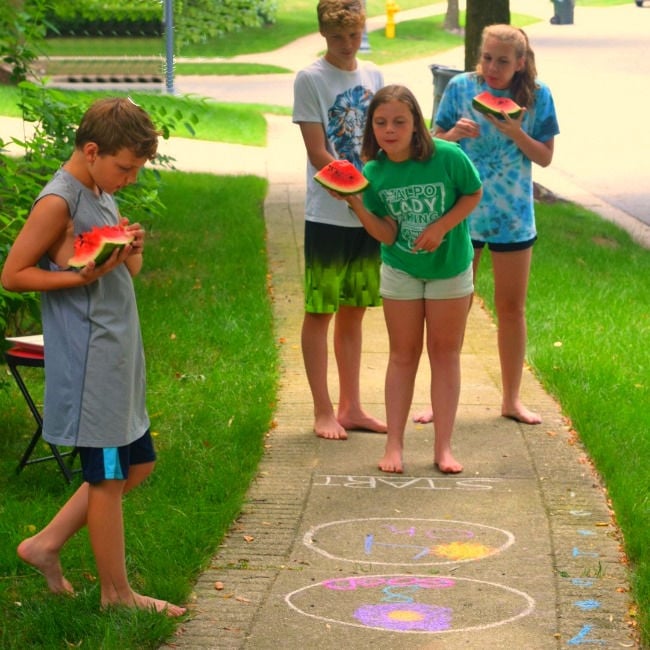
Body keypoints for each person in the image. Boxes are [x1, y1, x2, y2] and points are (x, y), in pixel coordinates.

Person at [1, 97, 186, 617]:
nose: (129, 177)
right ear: (91, 150)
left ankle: (45, 545)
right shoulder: (58, 202)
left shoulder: (100, 190)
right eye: (125, 167)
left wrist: (131, 248)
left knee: (139, 464)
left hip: (116, 355)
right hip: (89, 363)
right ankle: (117, 595)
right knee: (106, 477)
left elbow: (124, 274)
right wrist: (76, 276)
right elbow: (12, 275)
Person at [335, 84, 482, 474]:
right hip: (400, 268)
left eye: (400, 121)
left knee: (444, 354)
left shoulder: (448, 156)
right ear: (371, 127)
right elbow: (386, 233)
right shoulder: (373, 172)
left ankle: (444, 447)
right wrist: (355, 203)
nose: (390, 129)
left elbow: (473, 193)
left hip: (450, 267)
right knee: (402, 355)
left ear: (416, 123)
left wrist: (442, 225)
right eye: (381, 122)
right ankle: (394, 445)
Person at [421, 24, 560, 426]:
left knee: (511, 309)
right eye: (487, 58)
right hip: (462, 214)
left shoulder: (538, 96)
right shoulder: (461, 89)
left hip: (512, 218)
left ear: (520, 63)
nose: (493, 67)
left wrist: (516, 131)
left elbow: (546, 157)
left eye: (502, 61)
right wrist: (451, 134)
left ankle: (512, 400)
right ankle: (438, 400)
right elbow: (432, 145)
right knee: (454, 308)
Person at [292, 0, 387, 441]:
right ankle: (323, 409)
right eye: (338, 38)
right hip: (328, 216)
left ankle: (352, 407)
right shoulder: (310, 78)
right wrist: (349, 192)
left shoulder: (374, 76)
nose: (347, 46)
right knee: (320, 310)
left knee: (354, 314)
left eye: (354, 36)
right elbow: (317, 151)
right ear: (324, 35)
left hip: (368, 216)